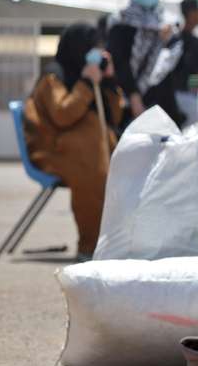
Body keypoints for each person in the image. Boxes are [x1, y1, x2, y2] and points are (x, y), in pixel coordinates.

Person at [23, 23, 124, 259]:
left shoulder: (90, 76)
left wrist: (108, 81)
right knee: (92, 170)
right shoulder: (54, 75)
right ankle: (90, 245)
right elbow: (62, 114)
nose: (94, 55)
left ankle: (114, 241)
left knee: (113, 160)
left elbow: (114, 116)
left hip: (83, 147)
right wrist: (87, 83)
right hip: (52, 151)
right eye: (91, 49)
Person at [106, 0, 186, 127]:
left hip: (163, 103)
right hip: (127, 103)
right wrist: (134, 97)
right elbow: (120, 62)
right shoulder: (120, 21)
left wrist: (165, 42)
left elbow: (176, 64)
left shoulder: (169, 23)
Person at [174, 0, 198, 126]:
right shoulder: (179, 39)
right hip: (183, 97)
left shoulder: (187, 39)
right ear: (191, 13)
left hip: (187, 97)